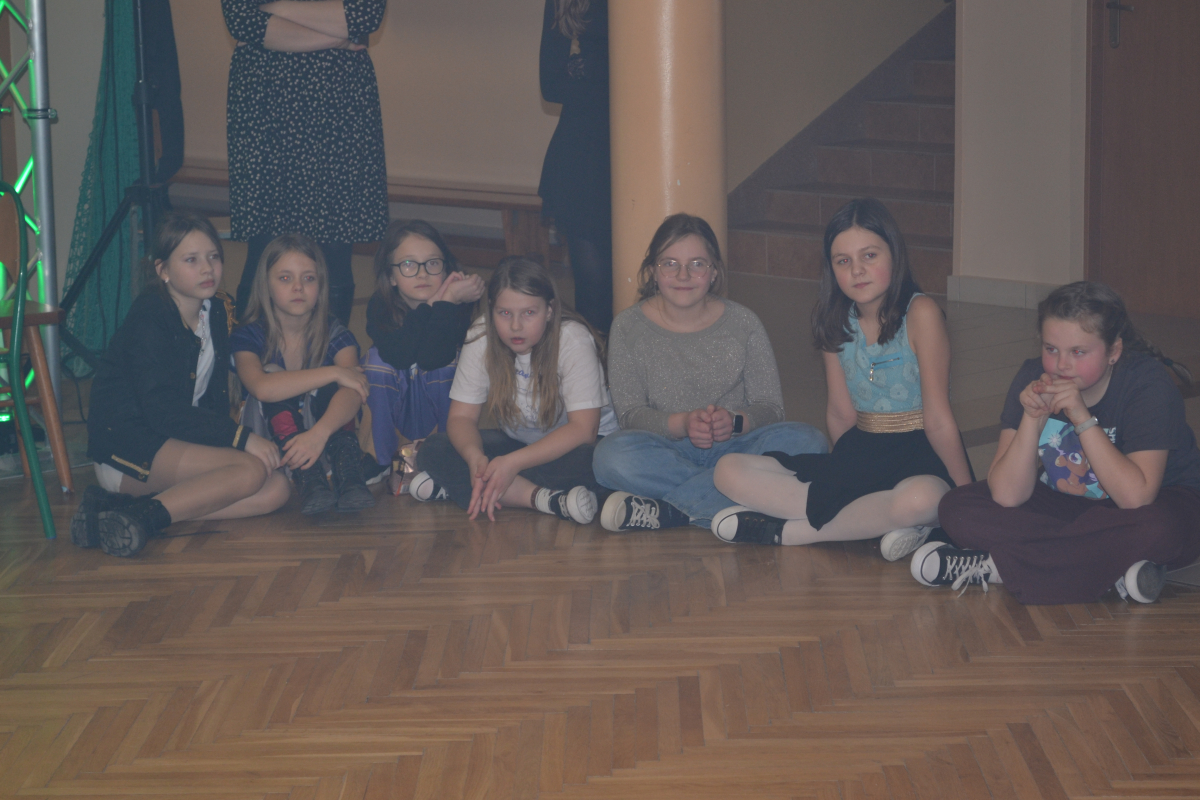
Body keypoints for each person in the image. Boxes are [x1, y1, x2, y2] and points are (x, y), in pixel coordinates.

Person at [707, 199, 973, 557]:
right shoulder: (835, 319)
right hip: (862, 450)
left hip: (919, 454)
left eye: (870, 256)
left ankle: (791, 533)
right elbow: (840, 413)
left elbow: (938, 420)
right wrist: (840, 480)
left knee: (922, 499)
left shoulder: (921, 313)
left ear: (894, 254)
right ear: (831, 269)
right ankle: (877, 522)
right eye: (843, 261)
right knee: (727, 470)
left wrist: (966, 497)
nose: (857, 270)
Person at [913, 281, 1200, 604]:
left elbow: (1136, 498)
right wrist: (1031, 418)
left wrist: (1082, 418)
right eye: (1051, 349)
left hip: (1152, 505)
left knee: (1157, 529)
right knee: (958, 507)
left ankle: (997, 568)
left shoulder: (1147, 384)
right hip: (1072, 509)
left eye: (1078, 352)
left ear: (1114, 352)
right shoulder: (1033, 376)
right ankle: (1105, 566)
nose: (1062, 364)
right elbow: (1006, 494)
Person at [591, 213, 827, 532]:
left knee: (810, 441)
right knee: (610, 456)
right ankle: (740, 500)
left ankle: (673, 511)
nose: (683, 275)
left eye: (697, 264)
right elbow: (631, 415)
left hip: (736, 450)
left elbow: (771, 409)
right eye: (670, 263)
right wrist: (684, 423)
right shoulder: (627, 327)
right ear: (653, 271)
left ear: (714, 272)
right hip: (666, 449)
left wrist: (735, 421)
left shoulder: (744, 323)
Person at [74, 212, 291, 558]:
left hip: (178, 442)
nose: (207, 268)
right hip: (130, 450)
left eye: (213, 257)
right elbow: (161, 411)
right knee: (249, 469)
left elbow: (213, 399)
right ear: (163, 270)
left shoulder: (215, 310)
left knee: (276, 489)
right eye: (191, 260)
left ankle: (123, 511)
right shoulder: (150, 316)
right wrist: (241, 438)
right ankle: (143, 517)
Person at [412, 256, 617, 524]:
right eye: (505, 313)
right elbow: (461, 418)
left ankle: (469, 489)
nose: (516, 326)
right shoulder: (481, 335)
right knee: (434, 449)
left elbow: (583, 430)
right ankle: (542, 498)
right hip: (520, 445)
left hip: (578, 446)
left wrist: (512, 464)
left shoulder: (573, 339)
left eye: (529, 313)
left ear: (549, 311)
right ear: (491, 310)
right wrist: (475, 459)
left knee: (603, 463)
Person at [222, 0, 388, 325]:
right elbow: (241, 20)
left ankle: (330, 352)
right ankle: (250, 355)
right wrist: (338, 37)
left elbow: (364, 15)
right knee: (264, 244)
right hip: (265, 101)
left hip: (338, 100)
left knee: (334, 246)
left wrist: (274, 7)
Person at [232, 233, 375, 515]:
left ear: (321, 286)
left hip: (322, 442)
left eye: (309, 278)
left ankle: (348, 475)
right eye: (285, 278)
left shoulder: (335, 333)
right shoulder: (248, 335)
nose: (298, 287)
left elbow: (355, 390)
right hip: (266, 447)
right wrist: (334, 372)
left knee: (344, 386)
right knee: (275, 374)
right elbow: (262, 388)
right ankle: (308, 477)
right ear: (266, 285)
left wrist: (318, 435)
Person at [362, 220, 484, 471]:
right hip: (397, 406)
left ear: (446, 270)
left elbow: (433, 359)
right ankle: (379, 461)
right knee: (376, 363)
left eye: (433, 263)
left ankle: (446, 457)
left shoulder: (457, 306)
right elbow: (398, 355)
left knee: (449, 364)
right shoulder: (380, 305)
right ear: (391, 277)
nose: (422, 273)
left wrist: (446, 303)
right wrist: (431, 305)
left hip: (438, 409)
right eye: (408, 264)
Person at [538, 0, 612, 333]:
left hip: (648, 144)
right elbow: (551, 83)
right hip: (586, 151)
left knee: (644, 284)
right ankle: (596, 363)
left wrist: (589, 69)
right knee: (594, 291)